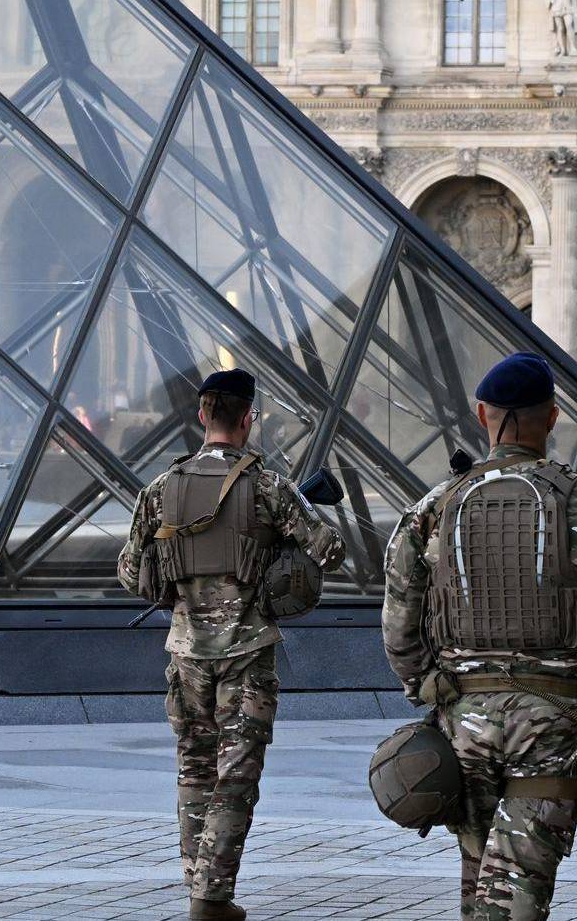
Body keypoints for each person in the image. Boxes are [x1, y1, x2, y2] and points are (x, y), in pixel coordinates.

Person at [383, 352, 577, 920]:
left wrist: (428, 683)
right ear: (555, 416)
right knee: (518, 879)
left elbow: (399, 624)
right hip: (553, 718)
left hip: (463, 718)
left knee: (481, 874)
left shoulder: (433, 509)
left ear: (481, 414)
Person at [116, 368, 343, 921]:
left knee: (194, 770)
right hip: (246, 654)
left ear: (202, 415)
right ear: (248, 419)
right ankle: (211, 897)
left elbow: (128, 572)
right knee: (235, 777)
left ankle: (200, 884)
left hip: (184, 654)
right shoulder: (267, 486)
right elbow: (329, 549)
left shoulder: (161, 489)